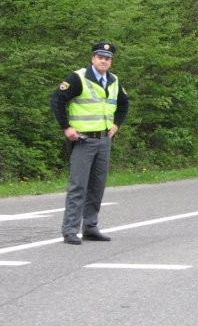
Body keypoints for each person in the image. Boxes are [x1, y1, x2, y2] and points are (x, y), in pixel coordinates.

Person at [51, 41, 129, 245]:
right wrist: (66, 127)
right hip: (83, 141)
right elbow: (57, 100)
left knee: (97, 186)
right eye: (100, 57)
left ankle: (91, 227)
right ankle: (70, 230)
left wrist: (117, 125)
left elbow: (123, 104)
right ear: (93, 59)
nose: (104, 60)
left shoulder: (113, 81)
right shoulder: (78, 78)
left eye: (108, 58)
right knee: (78, 186)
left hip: (104, 140)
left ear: (111, 61)